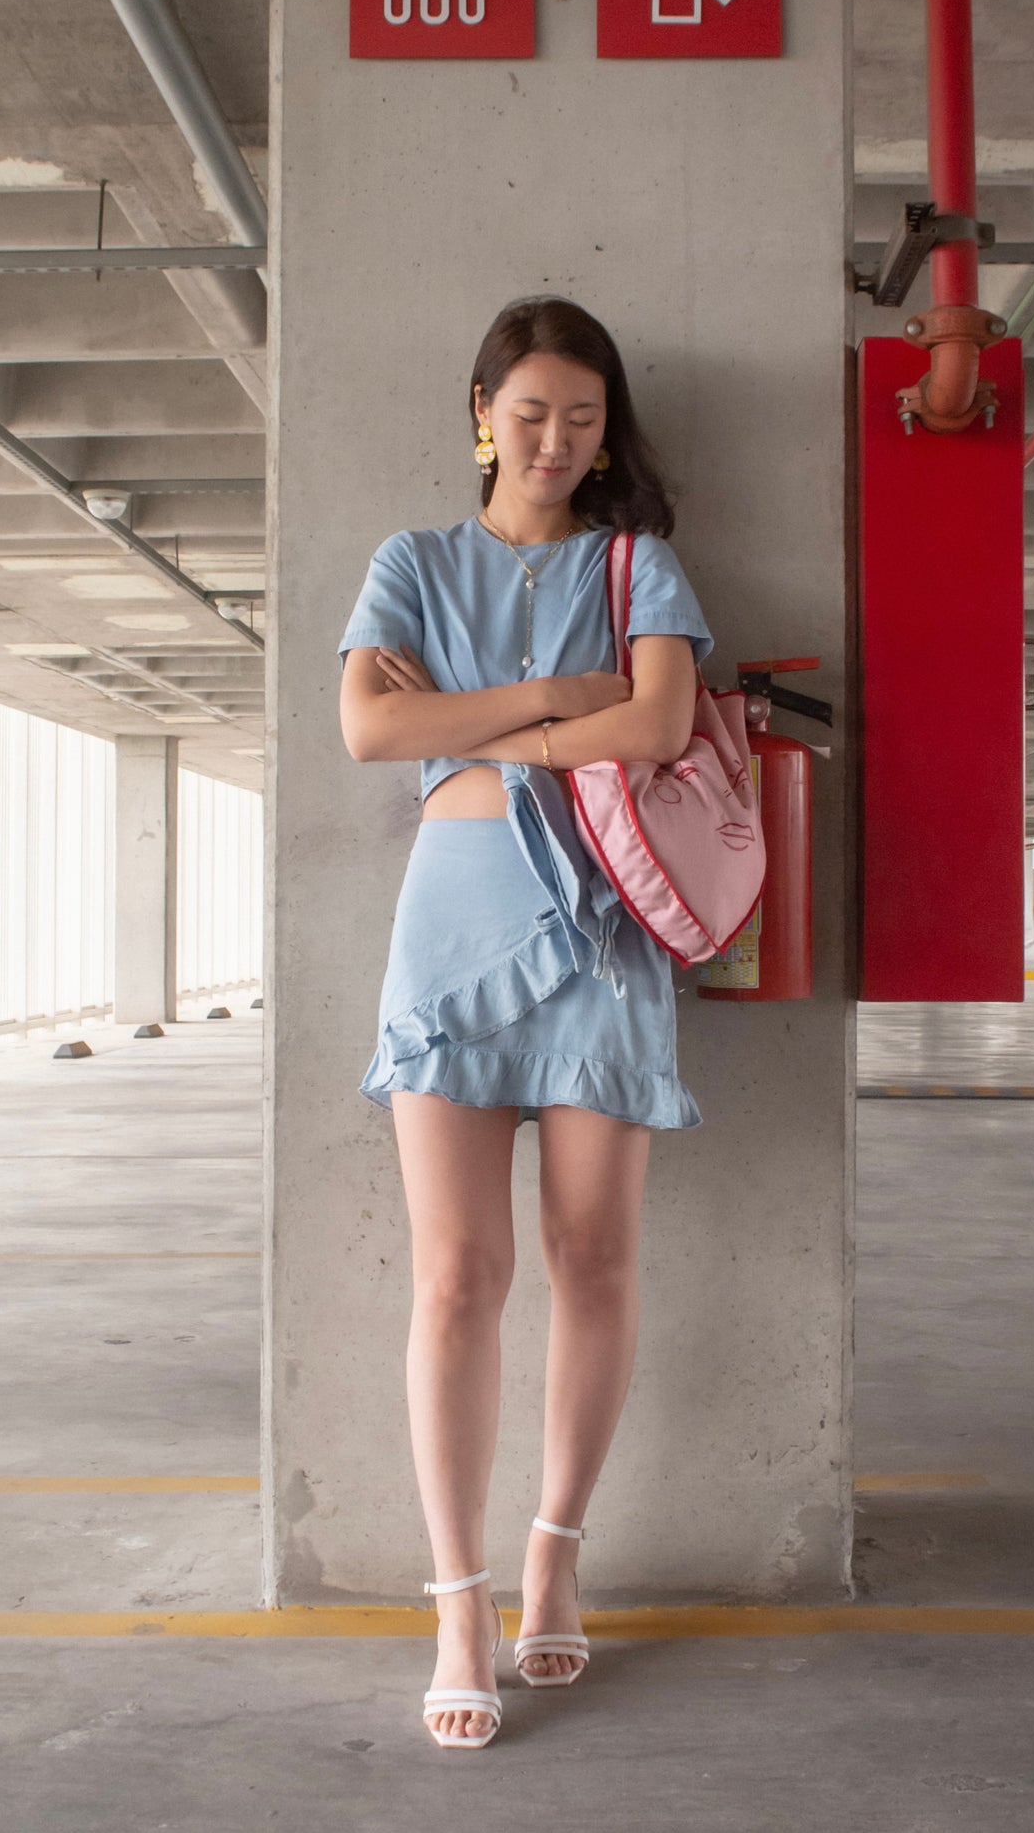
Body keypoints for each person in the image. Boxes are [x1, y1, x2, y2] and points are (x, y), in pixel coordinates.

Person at [337, 295, 715, 1750]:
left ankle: (556, 1552)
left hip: (606, 936)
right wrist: (568, 694)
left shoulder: (640, 563)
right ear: (479, 411)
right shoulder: (412, 562)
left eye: (583, 416)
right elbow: (372, 733)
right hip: (448, 931)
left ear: (607, 430)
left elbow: (663, 726)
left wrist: (482, 723)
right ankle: (457, 1598)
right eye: (530, 411)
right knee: (454, 1279)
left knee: (593, 1259)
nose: (556, 439)